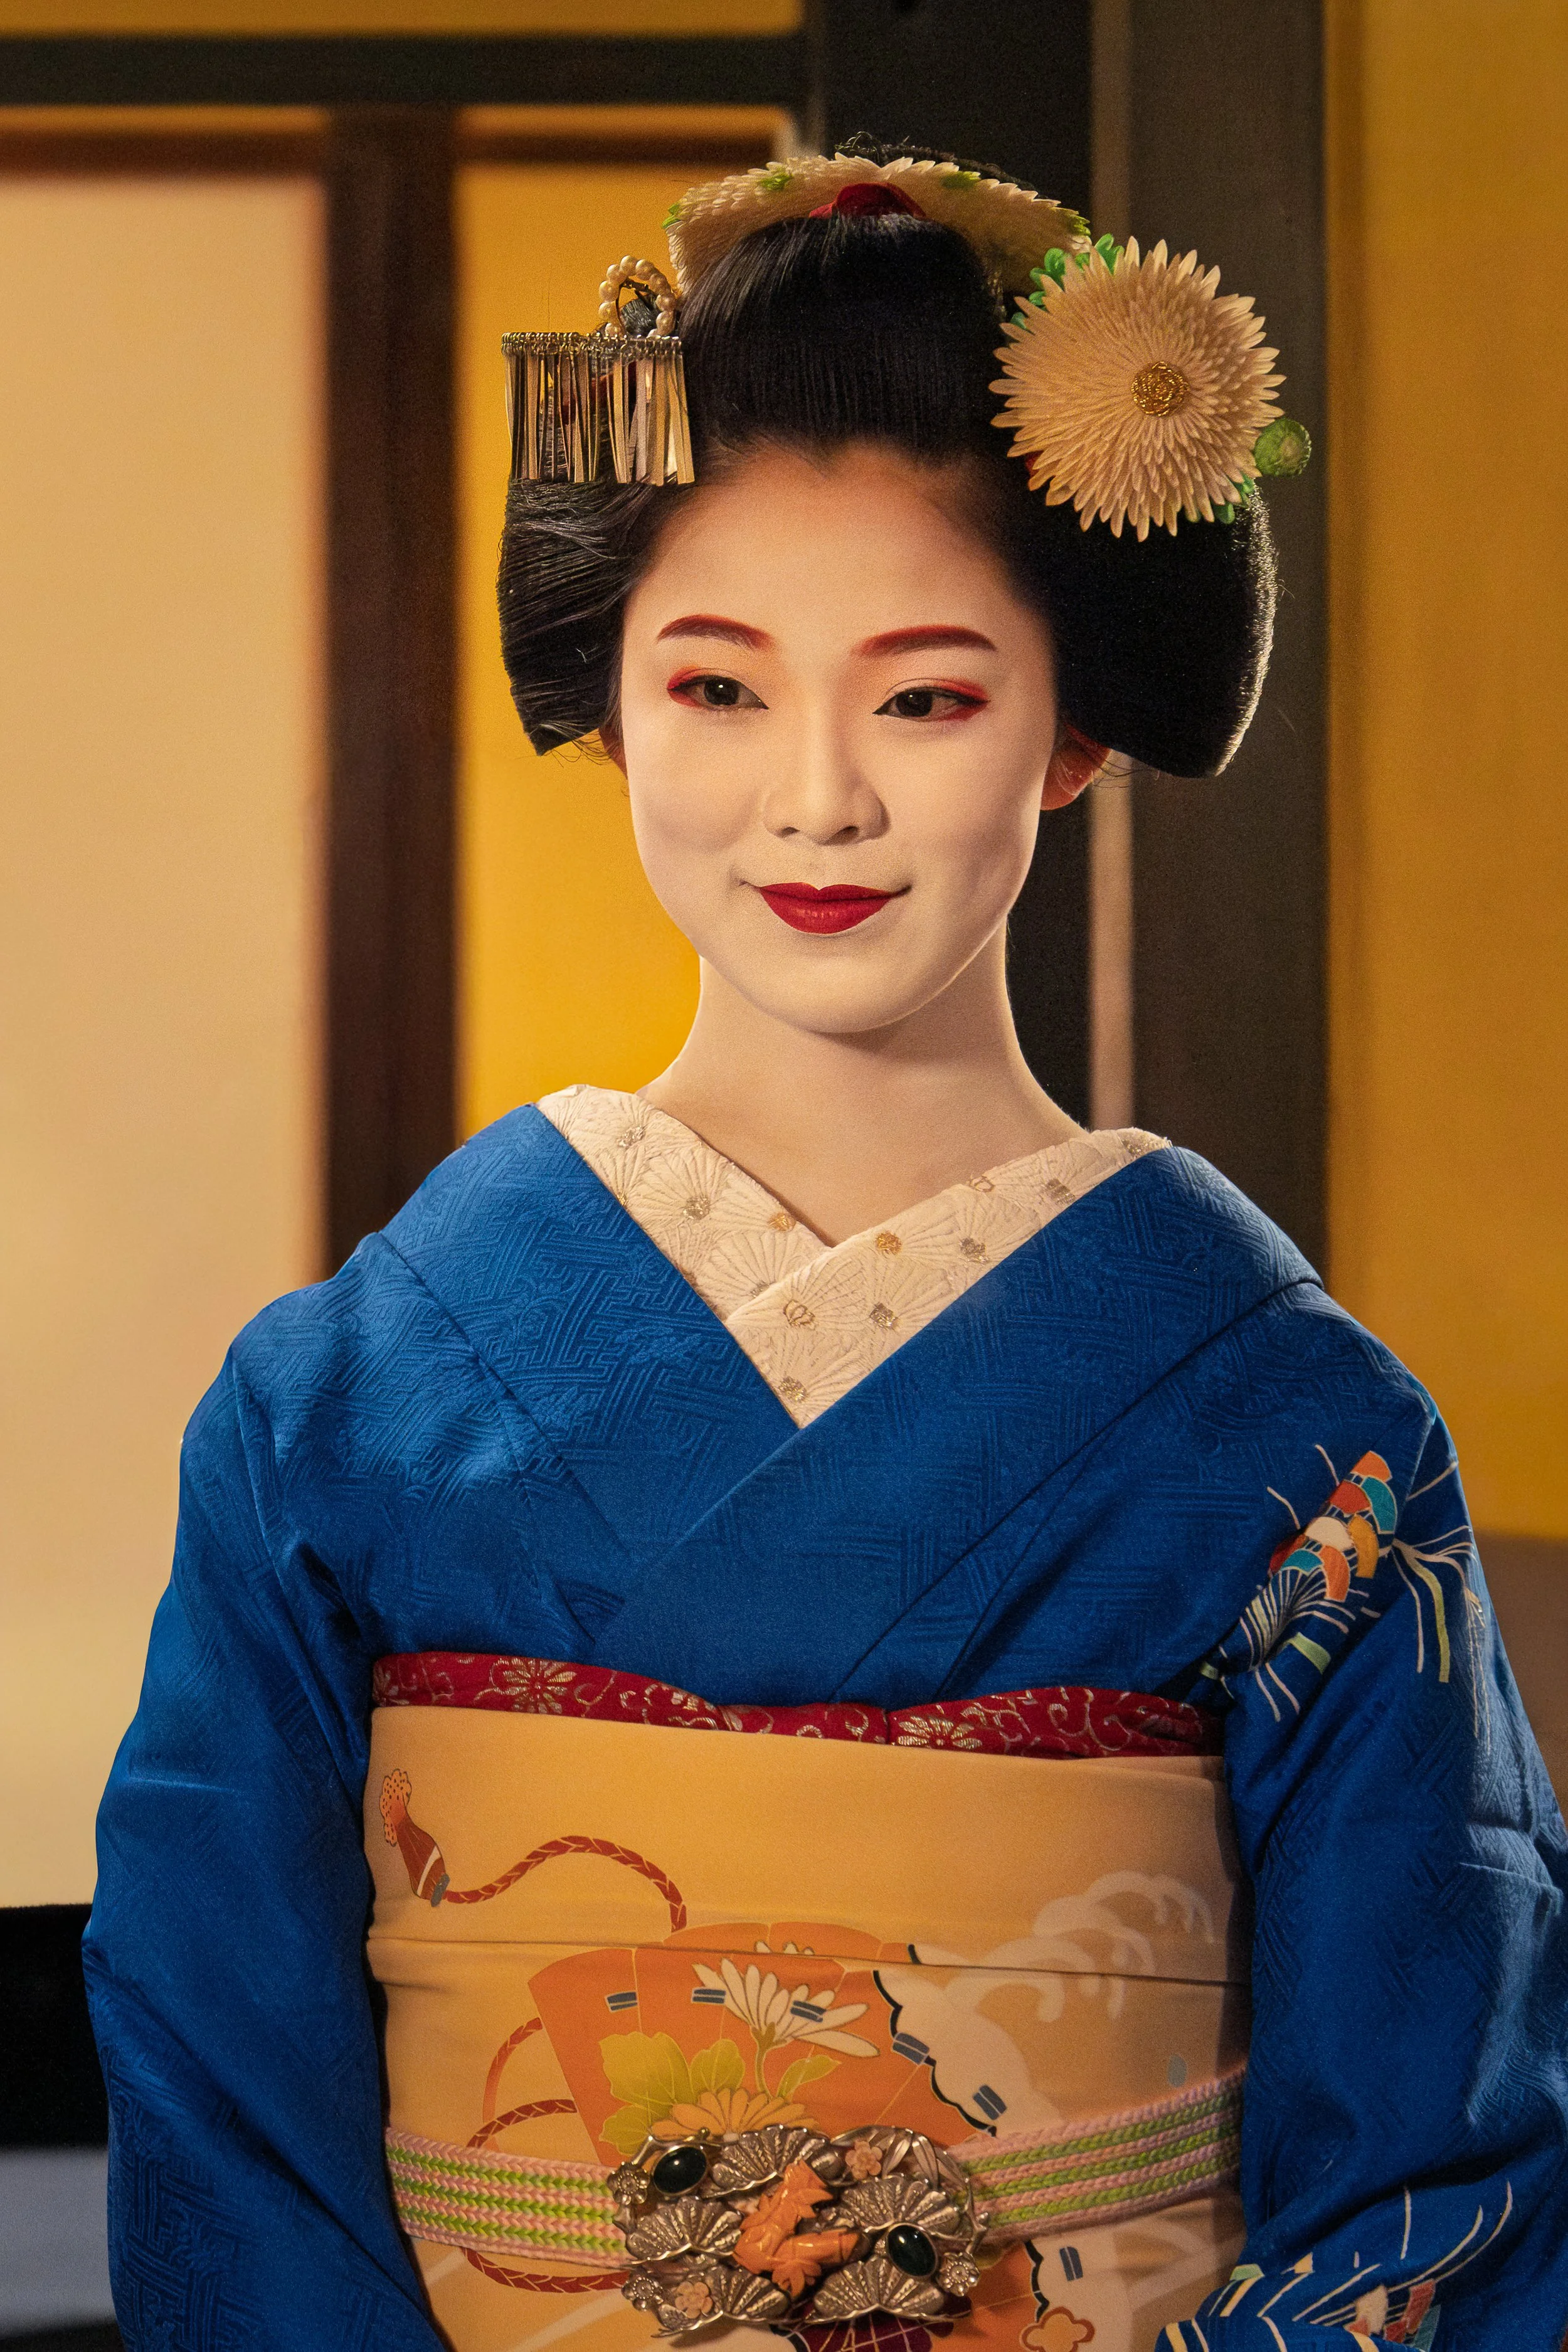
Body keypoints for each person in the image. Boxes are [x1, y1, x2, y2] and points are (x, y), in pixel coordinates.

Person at [86, 141, 1567, 2352]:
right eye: (715, 687)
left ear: (1071, 728)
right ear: (605, 700)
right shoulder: (338, 1404)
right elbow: (226, 2102)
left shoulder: (1298, 1430)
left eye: (924, 694)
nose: (813, 800)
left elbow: (1434, 2152)